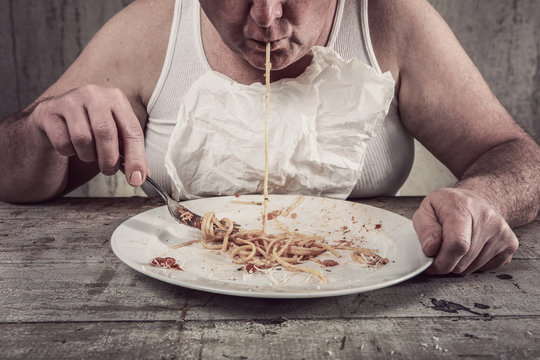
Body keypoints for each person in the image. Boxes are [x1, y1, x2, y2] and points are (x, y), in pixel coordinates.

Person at [0, 0, 538, 276]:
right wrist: (45, 130)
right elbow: (11, 167)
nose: (265, 18)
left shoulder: (389, 18)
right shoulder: (151, 26)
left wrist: (486, 197)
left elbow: (515, 155)